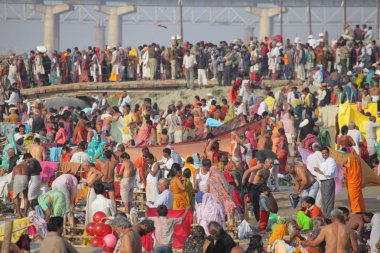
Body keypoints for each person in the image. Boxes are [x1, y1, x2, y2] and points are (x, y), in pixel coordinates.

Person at [242, 158, 272, 222]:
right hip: (252, 185)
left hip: (261, 186)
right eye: (270, 163)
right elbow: (247, 171)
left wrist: (265, 190)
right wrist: (243, 184)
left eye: (272, 164)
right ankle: (258, 220)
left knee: (268, 192)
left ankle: (267, 210)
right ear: (266, 163)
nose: (272, 165)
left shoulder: (268, 171)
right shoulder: (260, 166)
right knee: (255, 204)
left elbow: (265, 182)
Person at [314, 147, 337, 220]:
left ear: (328, 153)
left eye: (325, 153)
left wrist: (319, 171)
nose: (324, 154)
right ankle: (325, 217)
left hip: (328, 181)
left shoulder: (331, 161)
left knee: (328, 200)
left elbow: (330, 173)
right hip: (323, 182)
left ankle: (328, 218)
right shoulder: (324, 161)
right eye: (322, 153)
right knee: (324, 200)